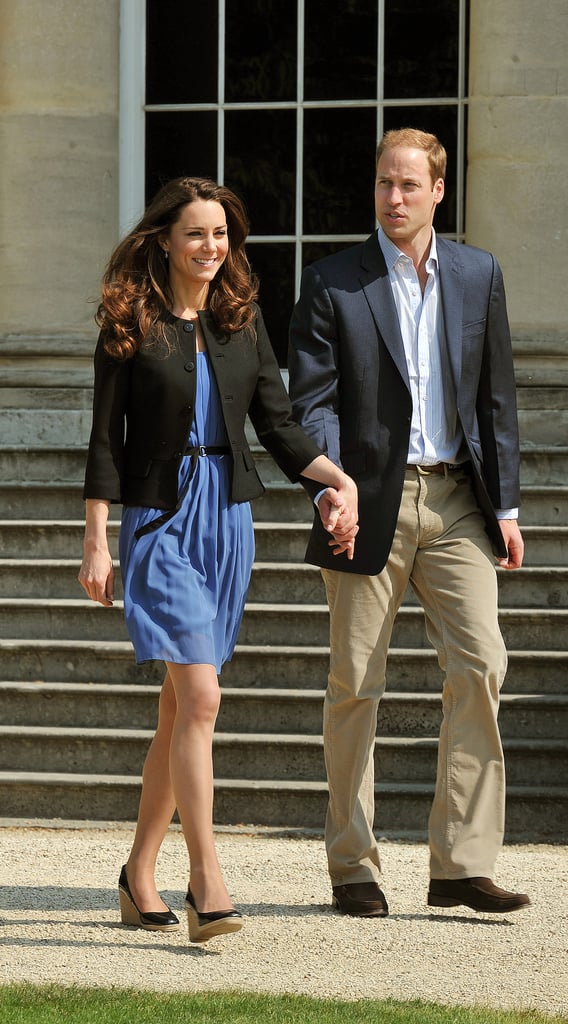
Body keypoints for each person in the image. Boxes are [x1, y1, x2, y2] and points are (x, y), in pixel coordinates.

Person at [78, 176, 358, 944]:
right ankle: (208, 882)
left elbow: (278, 423)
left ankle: (139, 876)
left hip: (228, 522)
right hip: (159, 520)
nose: (211, 248)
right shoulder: (128, 319)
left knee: (180, 707)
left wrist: (335, 481)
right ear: (164, 239)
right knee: (201, 698)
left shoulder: (241, 320)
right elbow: (106, 439)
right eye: (196, 233)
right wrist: (97, 538)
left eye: (222, 235)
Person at [288, 128, 531, 918]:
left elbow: (495, 395)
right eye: (383, 183)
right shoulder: (333, 282)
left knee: (482, 663)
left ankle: (460, 863)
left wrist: (507, 506)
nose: (393, 197)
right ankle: (352, 865)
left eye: (408, 185)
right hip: (364, 503)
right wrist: (329, 487)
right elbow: (311, 401)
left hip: (457, 499)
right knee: (355, 682)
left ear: (437, 191)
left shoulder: (477, 272)